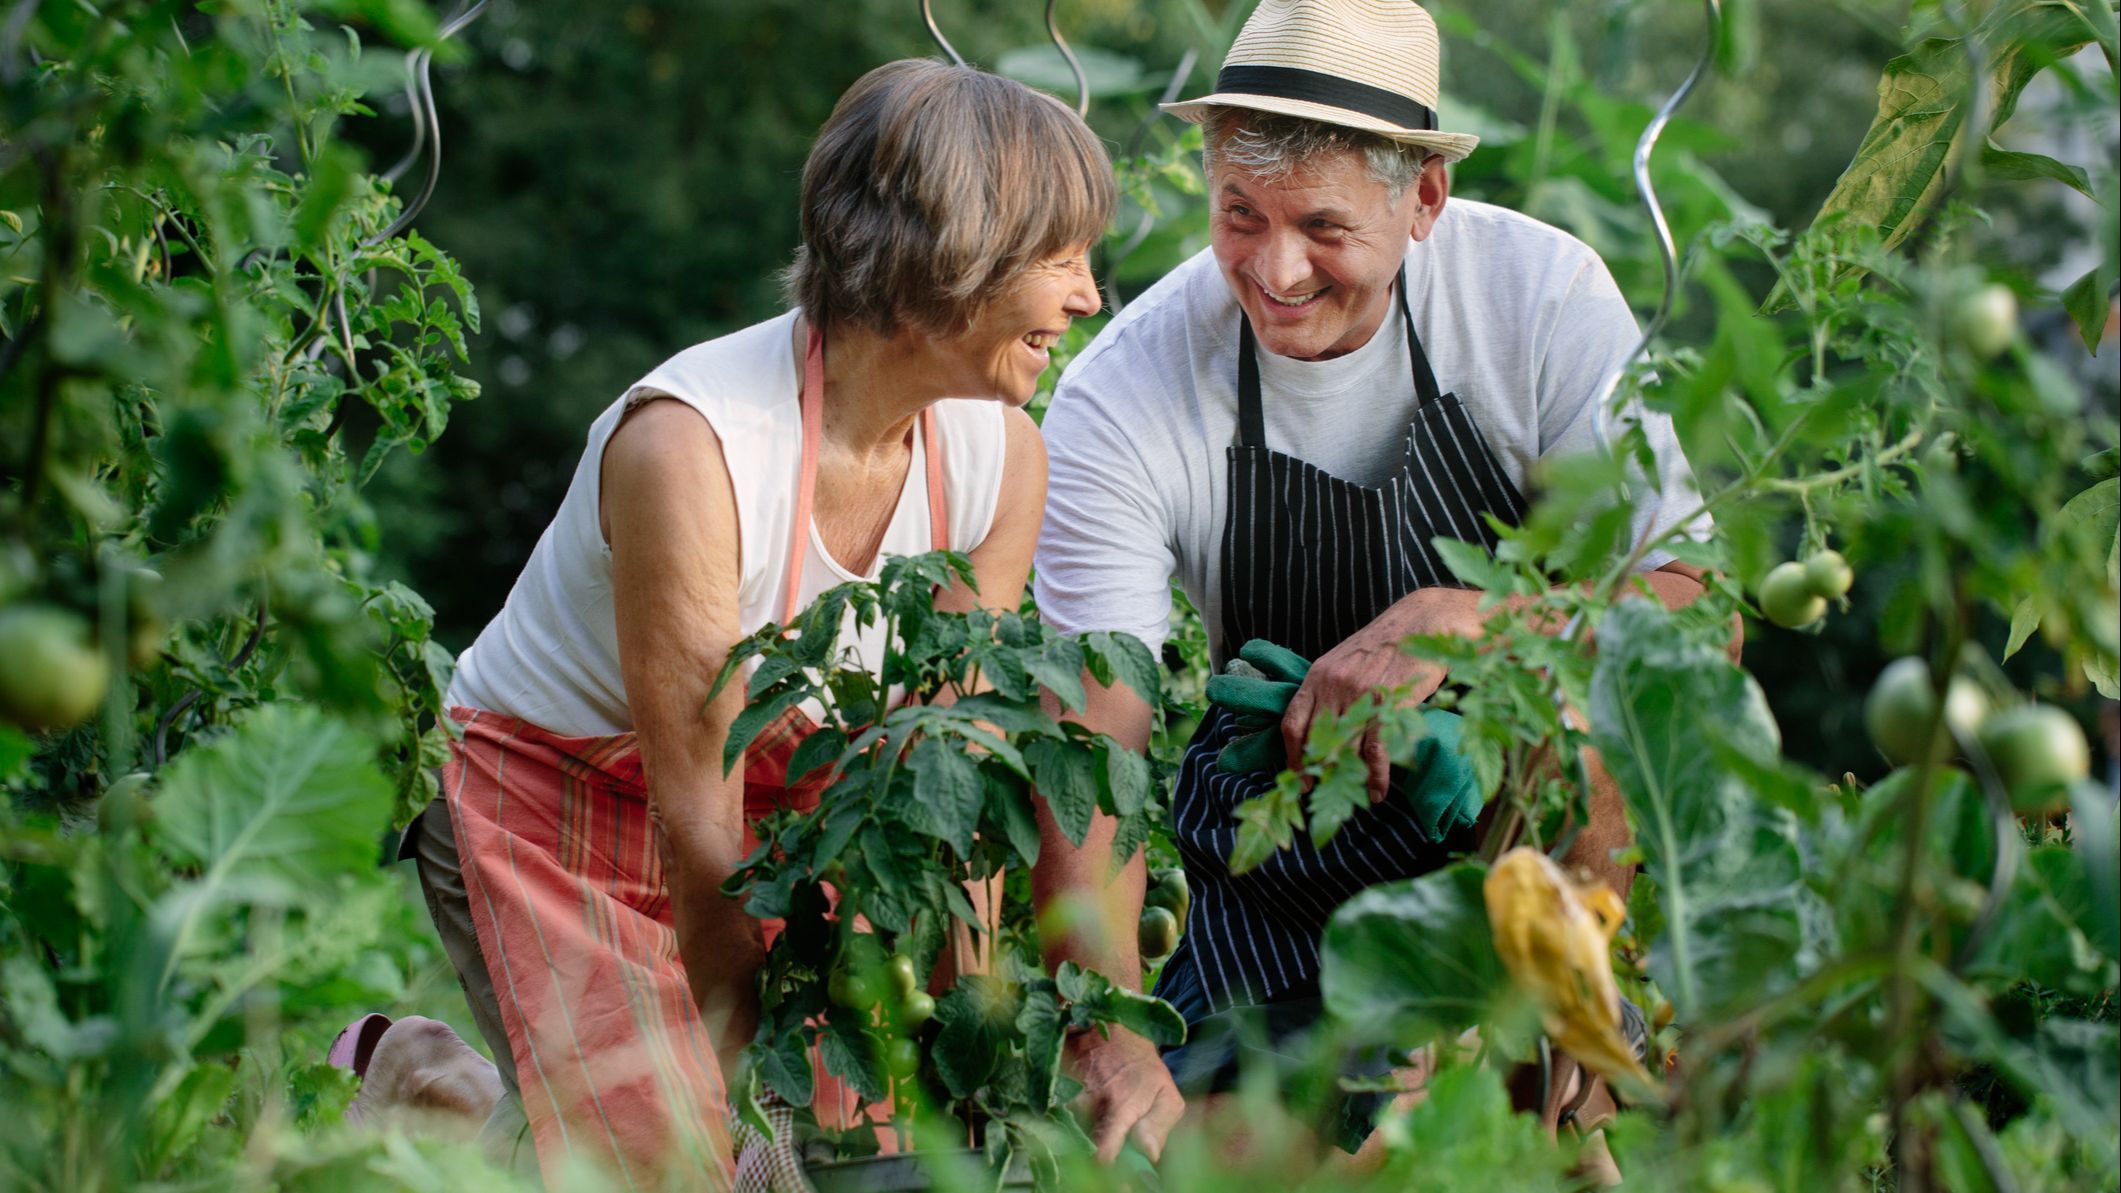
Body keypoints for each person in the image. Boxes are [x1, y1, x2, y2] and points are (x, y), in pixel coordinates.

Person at [1027, 0, 1718, 1167]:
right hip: (1285, 863)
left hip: (1526, 848)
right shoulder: (1128, 397)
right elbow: (1092, 744)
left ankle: (1569, 1066)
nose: (1276, 267)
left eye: (1323, 226)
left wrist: (1471, 622)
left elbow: (1695, 608)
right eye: (1239, 216)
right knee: (1243, 1151)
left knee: (1590, 717)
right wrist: (1107, 1029)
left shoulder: (1537, 302)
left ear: (1425, 202)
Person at [401, 58, 1112, 1188]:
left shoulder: (1000, 456)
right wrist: (751, 1099)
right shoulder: (693, 450)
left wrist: (966, 1040)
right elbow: (700, 823)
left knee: (871, 1157)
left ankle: (445, 1094)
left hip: (786, 810)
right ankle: (424, 1081)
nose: (1088, 297)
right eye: (1062, 258)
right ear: (956, 251)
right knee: (675, 1163)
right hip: (555, 798)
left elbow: (943, 781)